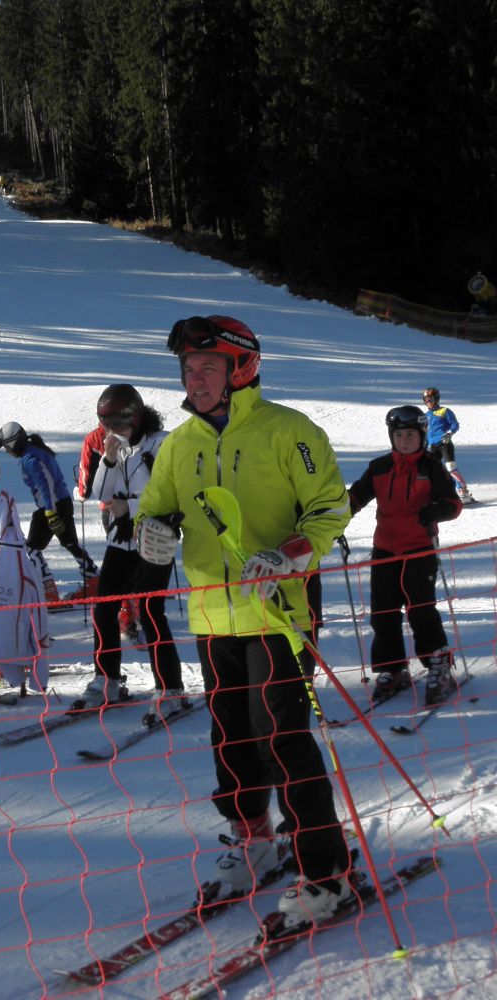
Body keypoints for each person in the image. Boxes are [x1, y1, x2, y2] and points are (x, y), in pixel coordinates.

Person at [136, 315, 353, 927]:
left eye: (207, 367)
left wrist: (287, 553)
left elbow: (330, 506)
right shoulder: (179, 443)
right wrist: (150, 531)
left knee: (282, 737)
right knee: (229, 737)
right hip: (211, 614)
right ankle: (254, 838)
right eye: (187, 368)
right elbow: (156, 511)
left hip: (278, 615)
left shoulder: (290, 431)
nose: (194, 378)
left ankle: (324, 870)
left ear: (242, 369)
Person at [348, 405, 461, 705]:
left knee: (420, 610)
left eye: (410, 435)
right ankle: (393, 668)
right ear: (391, 437)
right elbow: (357, 495)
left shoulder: (431, 467)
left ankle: (438, 665)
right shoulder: (380, 467)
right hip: (384, 548)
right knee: (383, 612)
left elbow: (453, 502)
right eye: (399, 435)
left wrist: (436, 511)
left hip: (419, 548)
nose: (404, 441)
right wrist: (338, 513)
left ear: (422, 435)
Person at [82, 385, 187, 709]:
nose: (113, 431)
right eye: (106, 425)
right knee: (104, 606)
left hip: (155, 537)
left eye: (118, 424)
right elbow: (99, 493)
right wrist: (109, 459)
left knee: (152, 610)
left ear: (136, 416)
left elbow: (176, 494)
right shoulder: (119, 447)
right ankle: (107, 679)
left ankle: (170, 688)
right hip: (122, 538)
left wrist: (131, 506)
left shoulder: (161, 443)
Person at [0, 421, 99, 603]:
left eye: (7, 447)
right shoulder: (35, 451)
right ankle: (95, 580)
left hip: (52, 507)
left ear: (14, 443)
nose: (7, 452)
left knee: (32, 548)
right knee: (70, 543)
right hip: (62, 504)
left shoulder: (30, 458)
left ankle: (46, 590)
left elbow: (45, 484)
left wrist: (50, 512)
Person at [76, 420, 139, 640]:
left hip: (112, 508)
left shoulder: (94, 437)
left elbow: (86, 470)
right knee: (137, 557)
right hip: (135, 505)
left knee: (119, 566)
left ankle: (126, 614)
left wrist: (82, 493)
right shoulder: (135, 429)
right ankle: (136, 604)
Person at [422, 387, 475, 503]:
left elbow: (454, 425)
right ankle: (436, 493)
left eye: (430, 399)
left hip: (445, 444)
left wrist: (449, 433)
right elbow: (426, 433)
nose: (428, 402)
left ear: (436, 399)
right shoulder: (426, 415)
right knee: (432, 470)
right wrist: (423, 446)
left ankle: (463, 491)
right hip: (433, 446)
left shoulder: (445, 411)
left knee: (450, 467)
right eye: (426, 400)